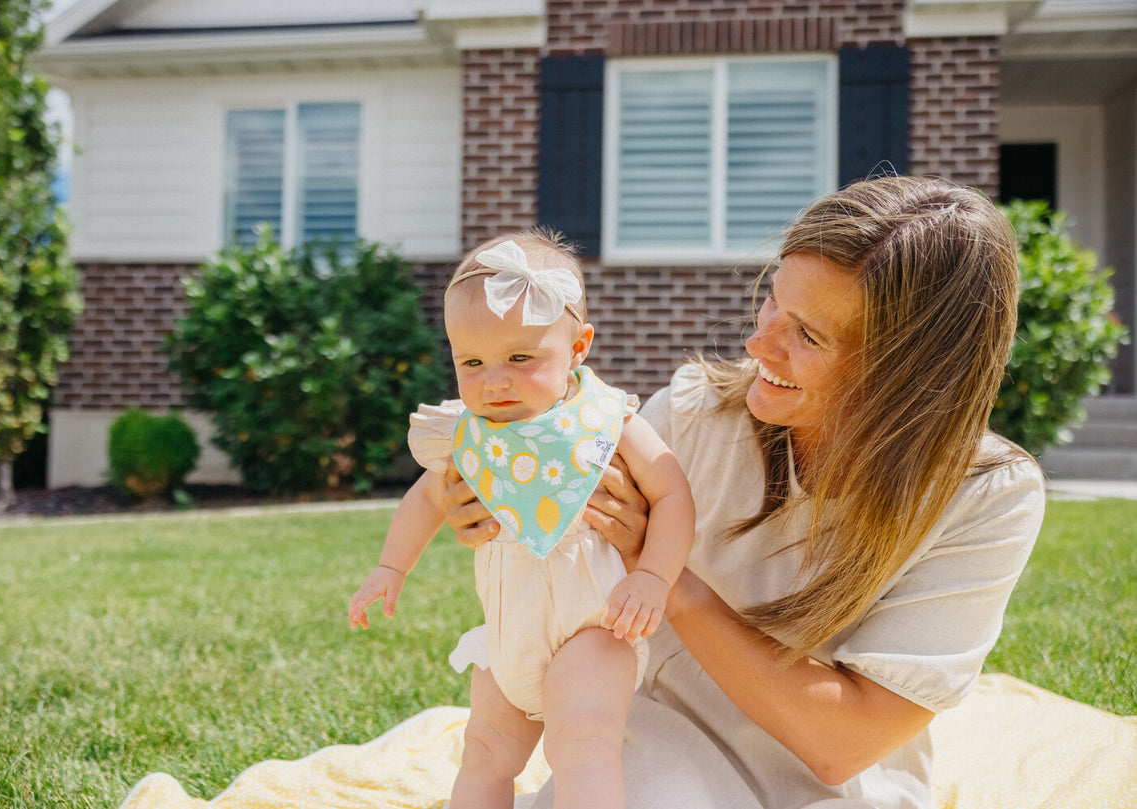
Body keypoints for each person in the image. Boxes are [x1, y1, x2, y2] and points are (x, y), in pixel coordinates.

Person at [443, 176, 1047, 809]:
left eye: (808, 336)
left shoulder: (985, 495)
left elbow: (844, 744)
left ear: (909, 369)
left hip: (833, 784)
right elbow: (560, 563)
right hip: (658, 744)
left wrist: (665, 576)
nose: (758, 345)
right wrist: (491, 504)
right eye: (772, 304)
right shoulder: (689, 414)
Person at [348, 229, 696, 809]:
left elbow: (673, 494)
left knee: (581, 742)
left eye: (519, 357)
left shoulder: (607, 420)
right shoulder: (469, 433)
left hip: (594, 628)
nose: (495, 379)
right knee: (484, 751)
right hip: (508, 638)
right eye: (472, 361)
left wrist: (653, 576)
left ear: (578, 348)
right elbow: (427, 498)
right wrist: (391, 567)